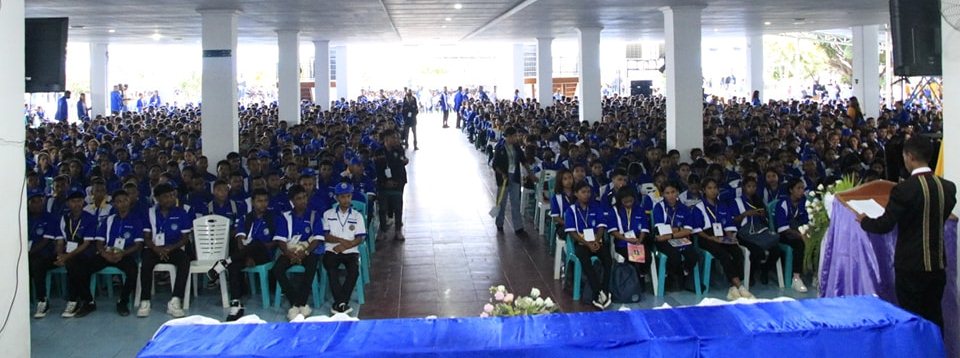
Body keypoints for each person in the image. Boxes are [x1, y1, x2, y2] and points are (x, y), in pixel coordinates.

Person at [858, 137, 957, 330]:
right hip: (937, 264)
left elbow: (885, 225)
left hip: (910, 265)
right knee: (934, 316)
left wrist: (864, 221)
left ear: (910, 156)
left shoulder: (904, 189)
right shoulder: (948, 187)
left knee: (912, 318)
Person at [218, 188, 278, 321]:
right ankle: (236, 304)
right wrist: (248, 255)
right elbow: (240, 241)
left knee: (257, 243)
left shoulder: (273, 218)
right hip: (246, 256)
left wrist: (255, 248)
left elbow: (276, 242)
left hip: (266, 255)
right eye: (259, 201)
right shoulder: (245, 218)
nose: (263, 204)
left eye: (265, 201)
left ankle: (225, 261)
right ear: (252, 202)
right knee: (234, 266)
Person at [693, 178, 753, 300]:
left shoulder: (722, 205)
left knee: (737, 251)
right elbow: (698, 230)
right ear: (704, 190)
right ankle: (739, 285)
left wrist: (730, 238)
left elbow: (728, 225)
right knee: (724, 255)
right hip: (706, 236)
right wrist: (711, 238)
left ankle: (733, 286)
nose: (713, 191)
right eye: (709, 188)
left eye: (715, 188)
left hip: (722, 235)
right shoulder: (698, 207)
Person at [138, 183, 192, 318]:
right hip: (154, 249)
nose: (170, 199)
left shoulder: (181, 212)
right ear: (157, 199)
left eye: (172, 196)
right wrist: (156, 249)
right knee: (146, 264)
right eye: (166, 197)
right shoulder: (149, 213)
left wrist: (171, 248)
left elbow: (186, 238)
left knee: (184, 261)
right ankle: (145, 301)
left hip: (173, 248)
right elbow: (146, 237)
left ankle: (175, 300)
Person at [90, 190, 144, 316]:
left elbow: (138, 244)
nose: (123, 204)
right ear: (114, 204)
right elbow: (99, 241)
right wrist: (104, 254)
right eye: (119, 201)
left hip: (126, 254)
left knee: (132, 272)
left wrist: (122, 254)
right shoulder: (109, 220)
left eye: (125, 200)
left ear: (129, 201)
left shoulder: (136, 220)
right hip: (107, 253)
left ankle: (123, 301)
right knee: (84, 268)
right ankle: (88, 301)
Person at [273, 185, 323, 321]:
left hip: (306, 251)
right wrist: (289, 254)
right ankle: (298, 302)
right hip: (290, 251)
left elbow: (317, 239)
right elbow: (281, 241)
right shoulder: (285, 217)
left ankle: (297, 304)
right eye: (299, 199)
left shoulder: (314, 215)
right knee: (277, 269)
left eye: (304, 197)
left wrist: (305, 252)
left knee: (312, 264)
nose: (303, 201)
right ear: (292, 201)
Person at [563, 182, 612, 309]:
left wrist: (596, 240)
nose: (586, 195)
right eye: (583, 192)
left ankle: (605, 291)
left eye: (588, 192)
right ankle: (597, 292)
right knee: (585, 261)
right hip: (581, 243)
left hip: (596, 241)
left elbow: (601, 226)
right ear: (576, 194)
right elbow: (572, 232)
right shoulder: (571, 210)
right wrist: (587, 244)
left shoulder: (596, 207)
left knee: (607, 258)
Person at [321, 182, 367, 314]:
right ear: (336, 198)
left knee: (354, 271)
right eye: (342, 197)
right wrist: (341, 243)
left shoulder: (357, 216)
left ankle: (340, 303)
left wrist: (345, 246)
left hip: (351, 251)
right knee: (331, 269)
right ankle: (342, 303)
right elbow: (326, 235)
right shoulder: (327, 214)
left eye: (348, 196)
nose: (346, 200)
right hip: (332, 250)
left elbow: (360, 238)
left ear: (351, 196)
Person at [52, 191, 98, 318]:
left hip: (86, 252)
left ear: (83, 202)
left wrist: (66, 257)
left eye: (79, 201)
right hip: (69, 253)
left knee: (74, 264)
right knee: (73, 265)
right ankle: (87, 300)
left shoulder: (90, 218)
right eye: (73, 201)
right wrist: (60, 255)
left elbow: (86, 244)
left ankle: (73, 299)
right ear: (68, 203)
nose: (76, 204)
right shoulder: (64, 218)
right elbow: (60, 241)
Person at [731, 177, 783, 286]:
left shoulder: (758, 201)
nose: (752, 189)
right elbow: (733, 221)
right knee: (756, 251)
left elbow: (766, 221)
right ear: (744, 187)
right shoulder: (737, 201)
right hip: (744, 234)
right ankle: (750, 275)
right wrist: (746, 214)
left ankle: (765, 270)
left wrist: (763, 215)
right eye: (749, 186)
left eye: (754, 186)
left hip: (759, 232)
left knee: (777, 250)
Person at [651, 181, 698, 291]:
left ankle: (684, 274)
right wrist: (679, 229)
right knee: (675, 256)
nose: (671, 195)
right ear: (662, 194)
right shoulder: (659, 207)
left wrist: (672, 233)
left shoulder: (684, 208)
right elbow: (661, 230)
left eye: (673, 192)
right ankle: (673, 278)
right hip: (663, 241)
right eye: (667, 193)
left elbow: (688, 231)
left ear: (677, 192)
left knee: (693, 256)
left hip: (679, 239)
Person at [607, 188, 650, 290]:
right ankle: (633, 281)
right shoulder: (614, 211)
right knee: (631, 257)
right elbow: (613, 231)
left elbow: (644, 228)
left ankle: (642, 275)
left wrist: (640, 240)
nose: (629, 203)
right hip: (622, 242)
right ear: (620, 200)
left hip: (638, 240)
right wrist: (627, 240)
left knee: (647, 257)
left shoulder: (639, 209)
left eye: (631, 201)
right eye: (625, 202)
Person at [774, 178, 811, 293]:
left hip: (800, 232)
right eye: (798, 188)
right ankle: (796, 278)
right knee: (799, 244)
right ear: (791, 190)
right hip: (785, 234)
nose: (801, 191)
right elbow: (782, 228)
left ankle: (815, 275)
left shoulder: (803, 202)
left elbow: (806, 220)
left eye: (802, 188)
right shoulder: (783, 203)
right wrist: (800, 235)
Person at [493, 127, 529, 236]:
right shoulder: (500, 147)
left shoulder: (517, 147)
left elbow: (523, 161)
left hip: (515, 177)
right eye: (513, 136)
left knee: (515, 203)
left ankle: (518, 227)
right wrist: (502, 174)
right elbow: (495, 165)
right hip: (503, 179)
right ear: (508, 136)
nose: (515, 138)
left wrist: (530, 173)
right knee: (501, 202)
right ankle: (499, 223)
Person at [374, 129, 409, 241]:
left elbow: (400, 167)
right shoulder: (379, 152)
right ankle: (383, 230)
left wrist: (395, 181)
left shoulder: (399, 150)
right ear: (386, 139)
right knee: (382, 208)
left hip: (397, 183)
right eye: (394, 138)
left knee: (398, 208)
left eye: (397, 138)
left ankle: (398, 231)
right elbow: (378, 169)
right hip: (383, 184)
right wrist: (385, 182)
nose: (396, 140)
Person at [28, 190, 57, 318]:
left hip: (48, 254)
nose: (37, 204)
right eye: (33, 202)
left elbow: (45, 241)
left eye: (39, 201)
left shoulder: (50, 217)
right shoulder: (24, 218)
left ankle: (42, 300)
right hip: (29, 254)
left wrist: (27, 253)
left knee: (37, 265)